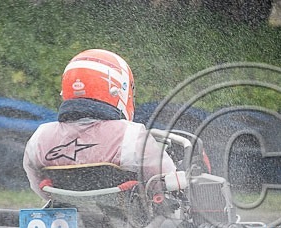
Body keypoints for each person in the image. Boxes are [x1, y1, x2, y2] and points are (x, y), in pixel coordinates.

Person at [23, 49, 175, 201]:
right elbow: (168, 185)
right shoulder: (131, 136)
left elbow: (42, 190)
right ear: (116, 90)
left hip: (68, 218)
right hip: (128, 223)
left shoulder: (40, 138)